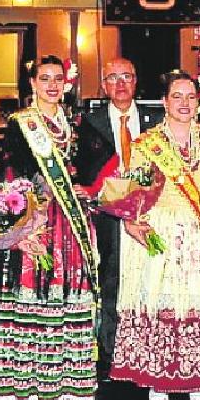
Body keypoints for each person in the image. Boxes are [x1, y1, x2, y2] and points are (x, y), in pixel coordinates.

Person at [100, 70, 200, 400]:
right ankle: (159, 378)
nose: (184, 104)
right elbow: (132, 187)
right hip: (162, 231)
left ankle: (198, 378)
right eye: (177, 97)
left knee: (199, 300)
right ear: (165, 102)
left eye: (190, 97)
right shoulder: (147, 143)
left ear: (199, 102)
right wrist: (131, 220)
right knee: (161, 300)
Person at [0, 56, 100, 400]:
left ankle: (68, 382)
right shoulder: (20, 124)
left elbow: (101, 167)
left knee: (70, 294)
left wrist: (90, 189)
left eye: (58, 79)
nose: (52, 85)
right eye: (45, 78)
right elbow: (11, 176)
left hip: (72, 221)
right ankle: (31, 384)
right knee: (35, 289)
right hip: (37, 220)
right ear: (33, 83)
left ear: (66, 83)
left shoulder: (78, 123)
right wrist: (22, 226)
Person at [72, 57, 162, 373]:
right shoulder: (87, 122)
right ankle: (111, 356)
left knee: (151, 283)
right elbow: (78, 168)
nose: (120, 84)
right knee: (112, 283)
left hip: (152, 214)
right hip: (108, 216)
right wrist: (85, 189)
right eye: (112, 78)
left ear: (136, 81)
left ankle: (151, 351)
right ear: (104, 85)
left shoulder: (157, 120)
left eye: (127, 76)